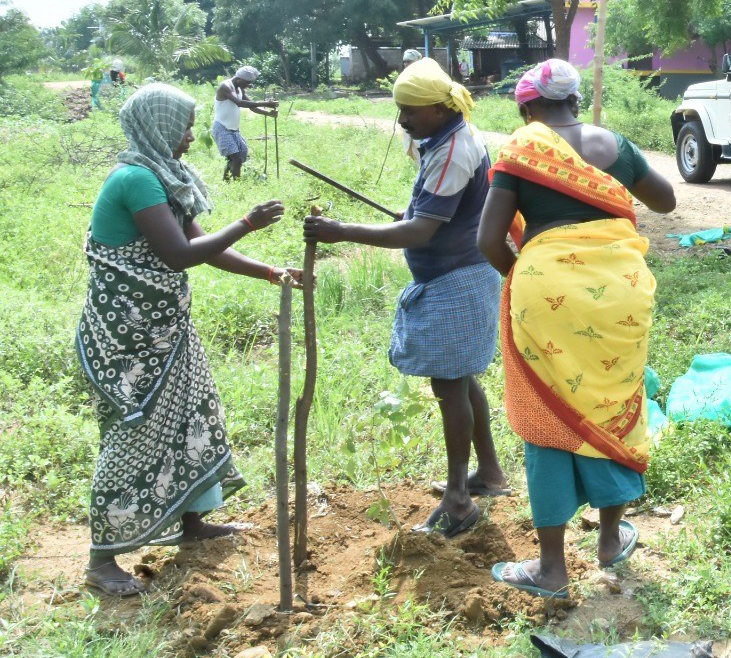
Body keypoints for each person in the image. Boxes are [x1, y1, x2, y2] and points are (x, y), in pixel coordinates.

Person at [76, 84, 297, 597]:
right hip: (128, 341)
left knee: (191, 414)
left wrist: (270, 272)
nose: (192, 136)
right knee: (130, 441)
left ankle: (193, 525)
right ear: (157, 126)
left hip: (165, 331)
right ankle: (102, 559)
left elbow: (199, 245)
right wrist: (246, 224)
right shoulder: (136, 180)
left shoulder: (162, 176)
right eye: (184, 126)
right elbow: (179, 255)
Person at [480, 60, 677, 597]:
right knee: (613, 402)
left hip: (546, 293)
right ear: (571, 101)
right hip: (620, 292)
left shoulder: (522, 148)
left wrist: (528, 275)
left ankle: (551, 567)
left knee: (546, 416)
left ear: (527, 108)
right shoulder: (614, 144)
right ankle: (610, 540)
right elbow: (665, 200)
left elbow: (489, 240)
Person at [303, 59, 505, 536]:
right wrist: (414, 212)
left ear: (438, 108)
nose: (402, 121)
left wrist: (341, 231)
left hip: (457, 278)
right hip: (459, 274)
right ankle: (489, 474)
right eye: (400, 111)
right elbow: (431, 213)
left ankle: (458, 499)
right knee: (459, 377)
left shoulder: (455, 149)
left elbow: (418, 231)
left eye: (410, 112)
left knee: (449, 384)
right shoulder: (447, 139)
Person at [212, 65, 278, 181]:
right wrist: (266, 103)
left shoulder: (239, 89)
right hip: (222, 127)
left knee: (242, 155)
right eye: (247, 83)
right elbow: (239, 103)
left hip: (234, 129)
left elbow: (251, 106)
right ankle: (237, 184)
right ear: (239, 79)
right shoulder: (226, 86)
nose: (249, 86)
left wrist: (268, 113)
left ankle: (226, 180)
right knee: (236, 159)